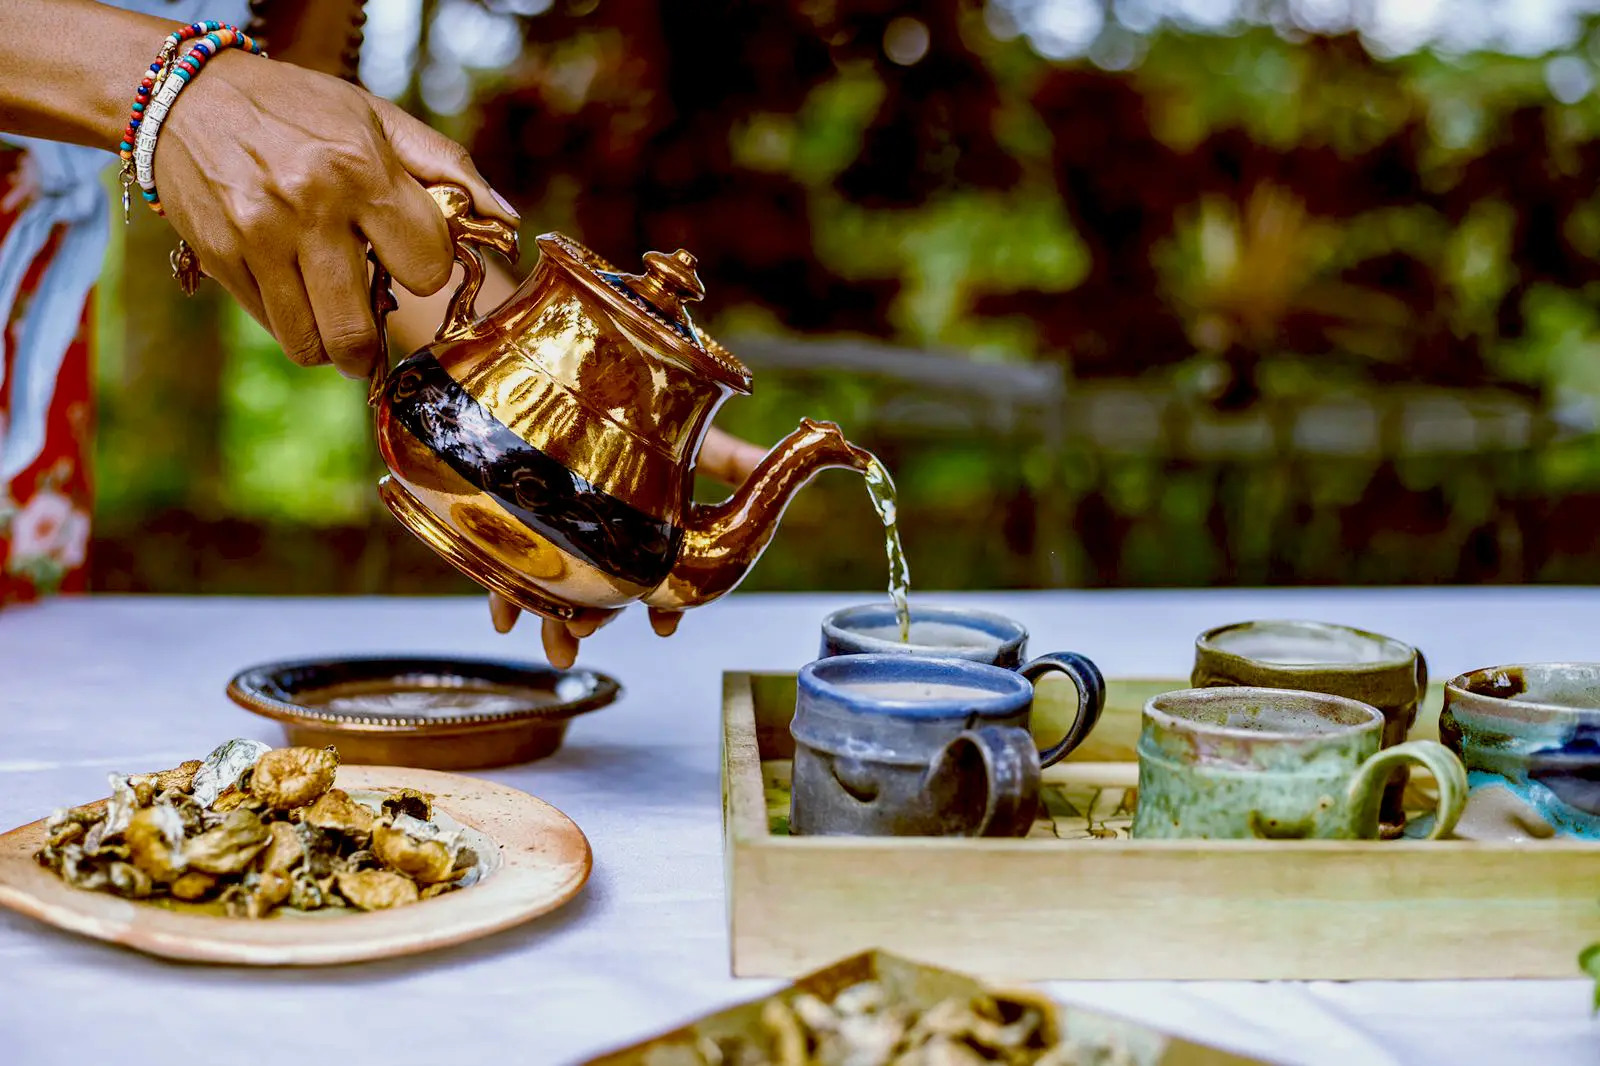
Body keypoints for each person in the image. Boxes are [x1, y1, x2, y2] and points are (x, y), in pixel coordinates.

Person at [0, 0, 763, 667]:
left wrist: (538, 414)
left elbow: (318, 183)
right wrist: (175, 88)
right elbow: (223, 112)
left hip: (31, 312)